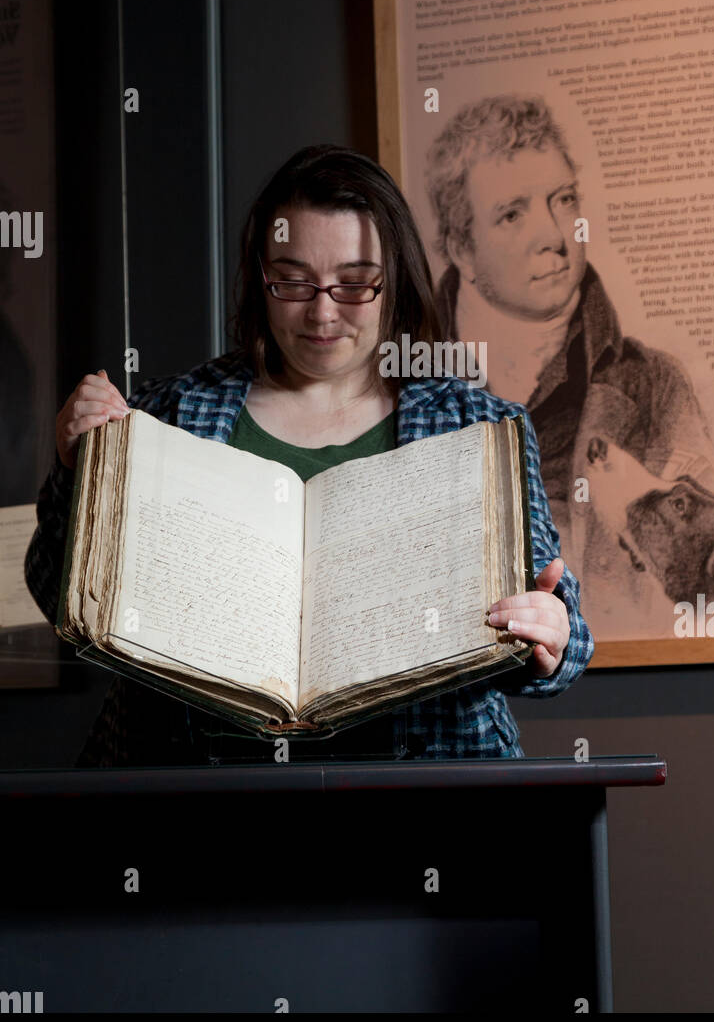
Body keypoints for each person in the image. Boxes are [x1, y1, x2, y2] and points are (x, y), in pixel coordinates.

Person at [25, 143, 593, 763]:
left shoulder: (477, 427)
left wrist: (551, 636)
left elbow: (561, 642)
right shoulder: (165, 416)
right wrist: (74, 469)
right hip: (188, 797)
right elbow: (63, 599)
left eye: (354, 283)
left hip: (426, 803)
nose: (323, 312)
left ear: (393, 279)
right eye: (293, 280)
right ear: (259, 275)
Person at [425, 94, 714, 630]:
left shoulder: (655, 385)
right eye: (512, 213)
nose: (554, 236)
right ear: (462, 248)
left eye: (564, 199)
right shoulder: (402, 382)